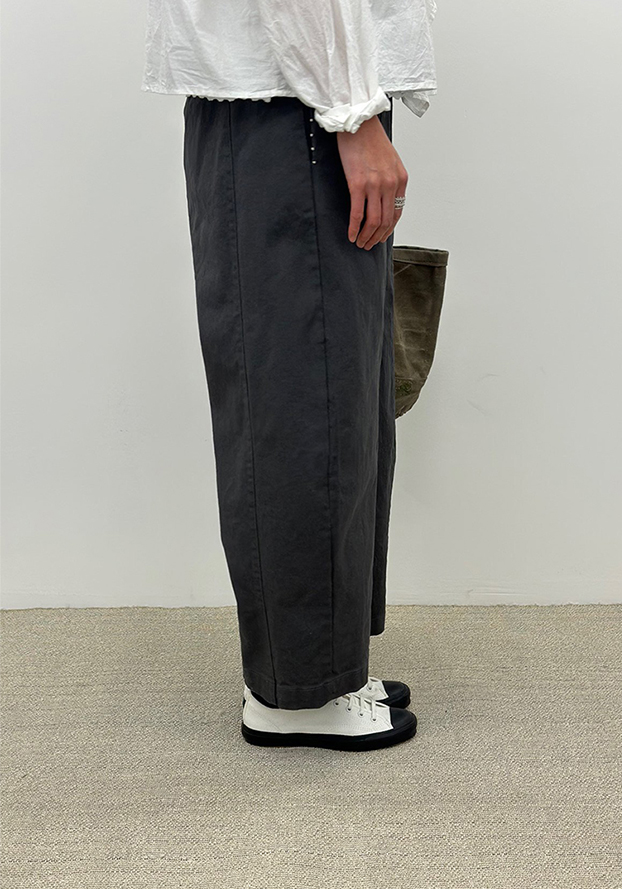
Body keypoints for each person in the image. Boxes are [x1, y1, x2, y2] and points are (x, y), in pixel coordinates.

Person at [140, 0, 438, 751]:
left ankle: (326, 664)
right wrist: (352, 115)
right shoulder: (329, 108)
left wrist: (353, 106)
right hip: (295, 108)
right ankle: (297, 692)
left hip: (300, 98)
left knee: (335, 393)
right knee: (303, 403)